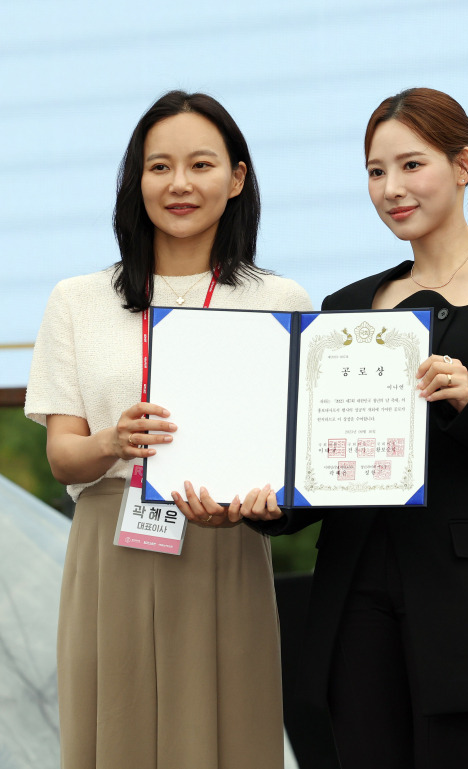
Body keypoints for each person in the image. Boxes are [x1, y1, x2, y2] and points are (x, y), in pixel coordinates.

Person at [257, 87, 468, 769]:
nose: (391, 188)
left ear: (463, 164)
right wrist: (264, 507)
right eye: (376, 171)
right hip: (354, 588)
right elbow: (322, 461)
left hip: (463, 591)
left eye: (411, 165)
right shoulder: (348, 305)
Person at [25, 90, 312, 769]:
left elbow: (296, 459)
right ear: (136, 179)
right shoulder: (77, 300)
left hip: (226, 543)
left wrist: (271, 496)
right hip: (111, 541)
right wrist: (109, 441)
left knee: (228, 733)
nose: (179, 184)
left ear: (236, 178)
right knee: (115, 734)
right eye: (159, 167)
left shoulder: (283, 301)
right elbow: (63, 455)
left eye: (201, 164)